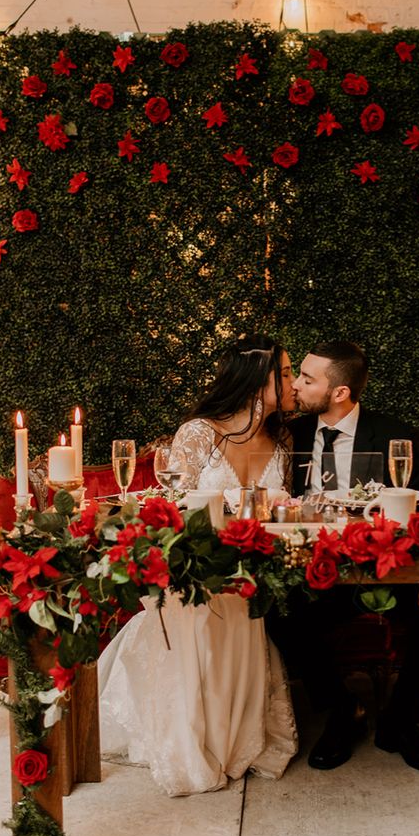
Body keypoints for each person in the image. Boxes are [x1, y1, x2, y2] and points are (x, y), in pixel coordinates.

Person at [98, 334, 298, 796]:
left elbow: (280, 512)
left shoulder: (284, 438)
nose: (291, 383)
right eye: (284, 374)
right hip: (195, 574)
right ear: (256, 381)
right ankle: (189, 741)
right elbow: (171, 507)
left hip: (249, 577)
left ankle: (237, 739)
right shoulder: (199, 432)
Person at [268, 340, 419, 775]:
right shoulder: (288, 436)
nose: (296, 385)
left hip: (393, 574)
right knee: (276, 611)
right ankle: (341, 709)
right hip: (318, 576)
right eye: (297, 375)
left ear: (339, 392)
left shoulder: (398, 437)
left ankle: (401, 721)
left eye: (307, 378)